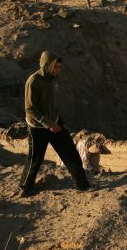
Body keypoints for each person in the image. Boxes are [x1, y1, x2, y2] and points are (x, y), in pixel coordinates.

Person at [19, 51, 90, 196]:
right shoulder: (33, 81)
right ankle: (26, 188)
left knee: (70, 153)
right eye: (55, 67)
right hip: (38, 127)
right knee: (35, 159)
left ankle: (83, 185)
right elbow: (30, 109)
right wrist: (49, 124)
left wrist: (55, 121)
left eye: (59, 67)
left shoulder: (52, 79)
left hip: (55, 122)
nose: (58, 70)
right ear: (47, 65)